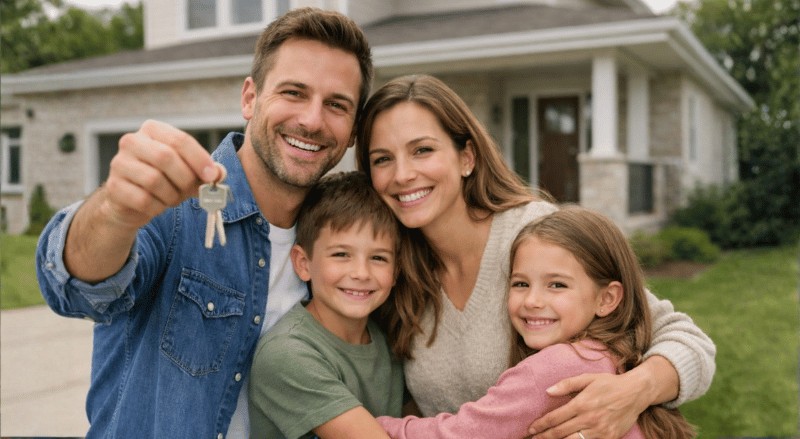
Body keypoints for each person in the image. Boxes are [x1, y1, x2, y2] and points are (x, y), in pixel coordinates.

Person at [35, 8, 373, 438]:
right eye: (293, 92)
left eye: (336, 105)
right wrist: (114, 212)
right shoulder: (176, 210)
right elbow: (74, 288)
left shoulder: (346, 241)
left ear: (354, 129)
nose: (311, 119)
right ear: (250, 98)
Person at [356, 74, 716, 439]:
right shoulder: (386, 269)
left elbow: (687, 340)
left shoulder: (534, 237)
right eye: (382, 159)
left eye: (422, 150)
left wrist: (633, 392)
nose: (402, 174)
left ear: (467, 158)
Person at [376, 206, 696, 438]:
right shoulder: (613, 353)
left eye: (557, 285)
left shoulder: (555, 368)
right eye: (520, 284)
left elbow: (462, 434)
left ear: (607, 299)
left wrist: (377, 427)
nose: (532, 301)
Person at [248, 171, 405, 438]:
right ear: (303, 263)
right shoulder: (287, 354)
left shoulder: (387, 343)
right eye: (341, 254)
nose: (361, 273)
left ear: (396, 270)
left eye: (378, 258)